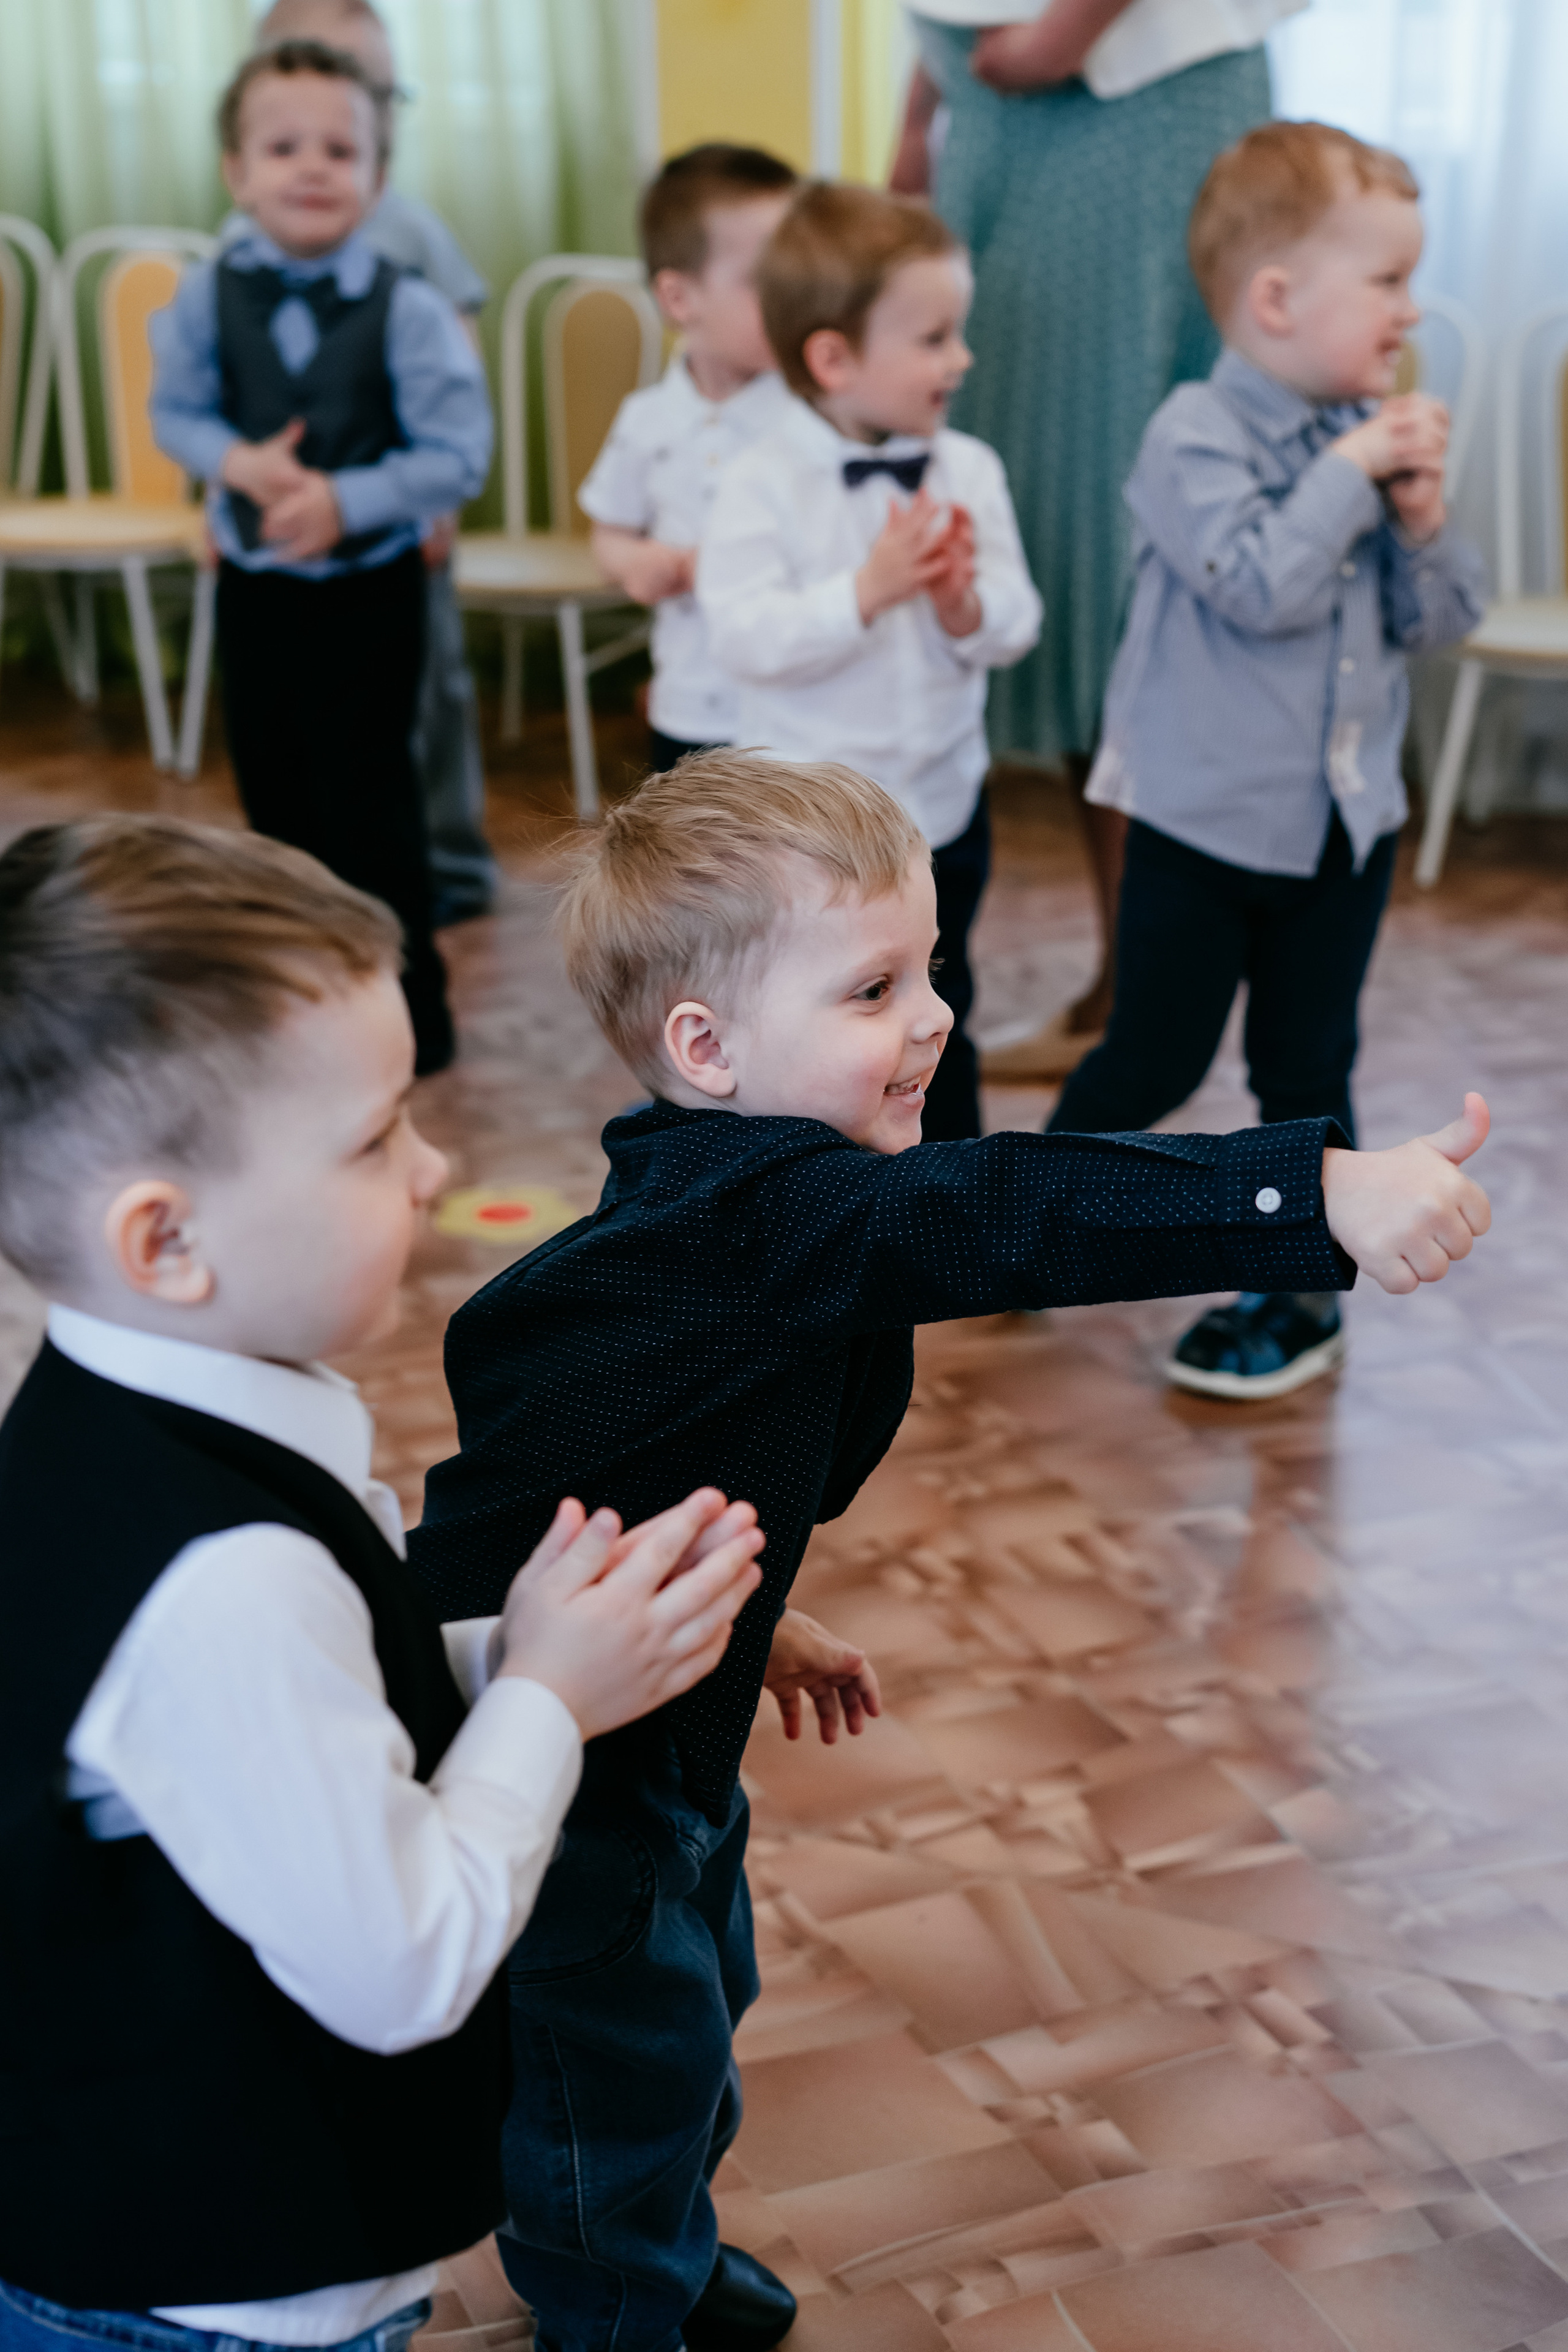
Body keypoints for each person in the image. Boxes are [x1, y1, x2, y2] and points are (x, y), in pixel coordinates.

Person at [410, 751, 1491, 2352]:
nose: (935, 1020)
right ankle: (622, 2305)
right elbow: (1018, 1208)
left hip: (660, 1735)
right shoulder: (773, 1220)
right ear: (705, 1049)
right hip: (563, 1772)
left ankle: (667, 2249)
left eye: (932, 972)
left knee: (692, 2013)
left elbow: (633, 1452)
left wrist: (755, 1606)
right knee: (607, 2074)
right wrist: (1312, 1191)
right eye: (872, 989)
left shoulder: (743, 1208)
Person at [0, 815, 765, 2350]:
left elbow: (291, 1726)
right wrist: (548, 1695)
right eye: (372, 1139)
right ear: (167, 1239)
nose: (433, 1166)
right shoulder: (223, 1575)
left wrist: (509, 1650)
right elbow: (407, 1957)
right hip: (217, 2299)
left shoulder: (129, 1419)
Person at [1047, 118, 1488, 1399]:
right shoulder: (1189, 436)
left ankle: (1297, 1291)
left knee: (1306, 1066)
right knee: (1154, 1059)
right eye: (1389, 281)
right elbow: (1257, 587)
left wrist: (1417, 518)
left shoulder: (1363, 435)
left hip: (1344, 826)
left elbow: (1440, 621)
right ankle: (1011, 1229)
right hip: (1200, 828)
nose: (1410, 310)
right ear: (1276, 299)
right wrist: (1351, 473)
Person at [892, 0, 1303, 1083]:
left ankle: (1150, 996)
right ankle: (1136, 985)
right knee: (1063, 533)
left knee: (1118, 540)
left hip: (1117, 100)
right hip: (1005, 98)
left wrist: (1062, 31)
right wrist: (925, 97)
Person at [149, 40, 492, 1075]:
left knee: (377, 808)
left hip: (371, 595)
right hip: (257, 592)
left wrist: (346, 500)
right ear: (236, 173)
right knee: (277, 806)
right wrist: (237, 464)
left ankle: (410, 1013)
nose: (311, 167)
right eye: (283, 146)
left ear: (378, 177)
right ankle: (297, 1004)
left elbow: (459, 455)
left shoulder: (412, 308)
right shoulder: (207, 295)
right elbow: (177, 413)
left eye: (340, 149)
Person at [698, 181, 1042, 1140]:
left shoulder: (968, 469)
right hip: (809, 838)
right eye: (934, 338)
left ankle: (949, 1206)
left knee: (939, 1009)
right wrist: (865, 591)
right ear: (834, 358)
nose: (961, 359)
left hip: (940, 808)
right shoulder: (761, 479)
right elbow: (743, 636)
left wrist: (964, 603)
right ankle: (808, 1189)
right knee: (808, 1020)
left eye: (955, 333)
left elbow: (1017, 622)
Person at [237, 0, 499, 930]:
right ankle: (322, 874)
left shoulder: (409, 232)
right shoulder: (246, 241)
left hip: (392, 517)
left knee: (422, 698)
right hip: (283, 533)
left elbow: (459, 368)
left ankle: (448, 864)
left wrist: (440, 509)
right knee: (300, 711)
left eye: (378, 94)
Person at [578, 143, 798, 775]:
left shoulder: (812, 419)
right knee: (699, 868)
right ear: (680, 299)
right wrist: (634, 562)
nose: (795, 300)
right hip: (690, 707)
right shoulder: (647, 421)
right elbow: (608, 531)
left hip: (793, 708)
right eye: (767, 282)